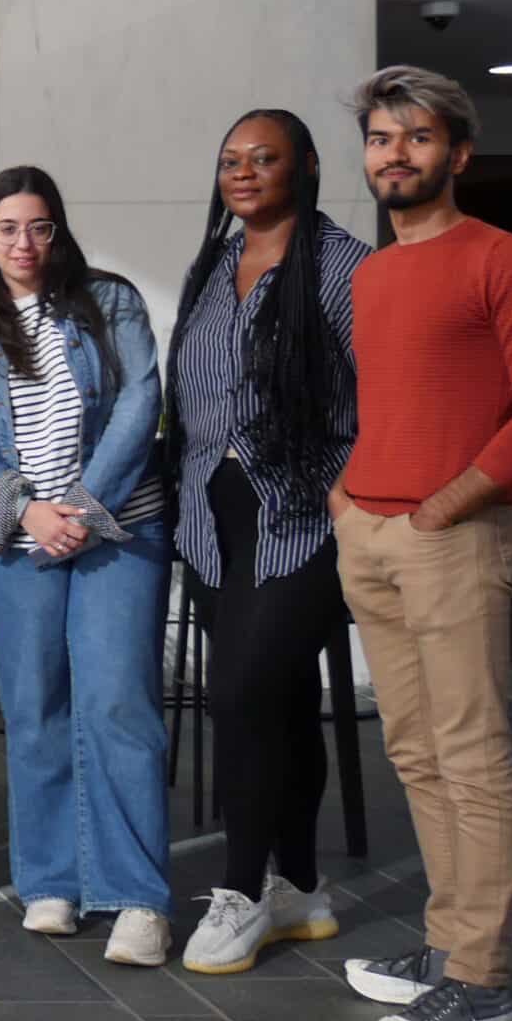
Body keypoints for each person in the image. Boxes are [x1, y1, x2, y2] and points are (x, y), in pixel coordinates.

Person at [331, 67, 512, 1021]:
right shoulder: (372, 275)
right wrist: (350, 494)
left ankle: (483, 987)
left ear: (458, 153)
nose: (395, 154)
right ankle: (447, 949)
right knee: (415, 751)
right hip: (371, 534)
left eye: (416, 137)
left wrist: (448, 500)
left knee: (471, 757)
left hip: (453, 537)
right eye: (380, 139)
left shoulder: (505, 258)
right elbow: (392, 401)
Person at [0, 165, 175, 967]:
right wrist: (28, 509)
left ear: (59, 230)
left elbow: (140, 401)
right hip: (12, 539)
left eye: (39, 226)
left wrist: (83, 506)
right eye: (8, 228)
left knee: (118, 702)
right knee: (36, 705)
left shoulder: (111, 303)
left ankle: (137, 896)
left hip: (117, 530)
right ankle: (52, 881)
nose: (24, 243)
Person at [166, 111, 370, 974]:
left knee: (242, 692)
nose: (243, 172)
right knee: (279, 700)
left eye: (264, 158)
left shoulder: (346, 267)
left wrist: (347, 491)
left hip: (305, 516)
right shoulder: (214, 264)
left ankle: (243, 890)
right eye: (230, 160)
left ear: (307, 165)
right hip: (211, 517)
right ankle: (303, 889)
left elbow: (384, 393)